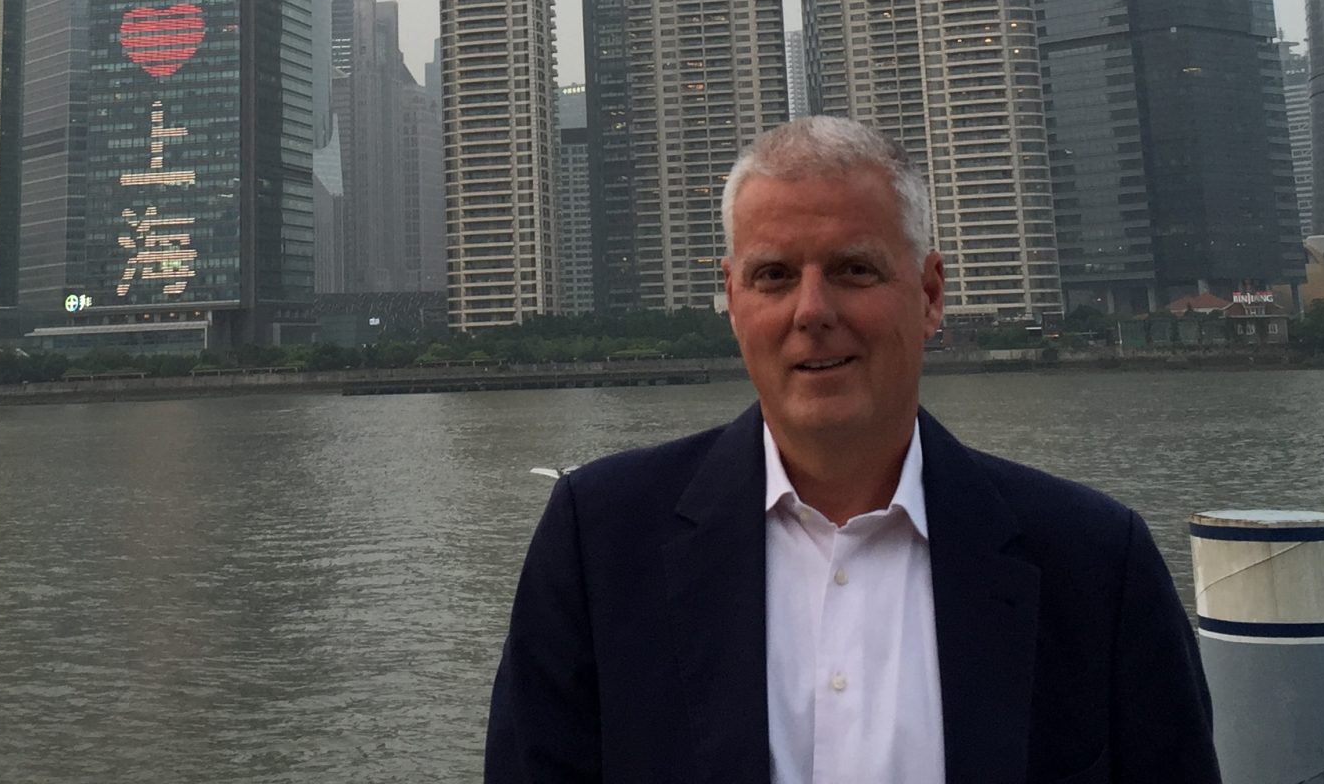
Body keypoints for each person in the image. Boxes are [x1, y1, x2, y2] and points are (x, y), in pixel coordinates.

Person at [485, 117, 1219, 783]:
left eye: (854, 270)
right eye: (774, 276)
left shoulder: (1095, 564)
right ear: (732, 300)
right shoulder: (599, 543)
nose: (812, 311)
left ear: (930, 294)